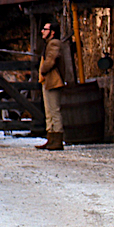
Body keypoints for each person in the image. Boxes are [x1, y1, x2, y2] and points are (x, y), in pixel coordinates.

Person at [37, 21, 67, 151]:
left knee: (54, 110)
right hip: (48, 81)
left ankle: (57, 139)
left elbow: (51, 59)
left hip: (53, 80)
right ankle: (51, 138)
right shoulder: (49, 44)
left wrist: (43, 69)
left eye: (45, 29)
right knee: (49, 111)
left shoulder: (54, 43)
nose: (42, 31)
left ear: (52, 32)